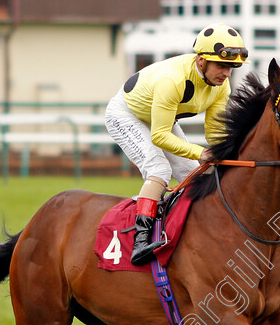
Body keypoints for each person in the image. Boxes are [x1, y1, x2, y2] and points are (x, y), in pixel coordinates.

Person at [104, 23, 247, 265]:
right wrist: (202, 152)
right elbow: (159, 136)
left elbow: (214, 132)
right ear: (201, 61)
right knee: (159, 170)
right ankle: (140, 241)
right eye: (221, 65)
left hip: (156, 116)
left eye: (231, 67)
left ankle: (190, 231)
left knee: (193, 172)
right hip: (126, 114)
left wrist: (227, 154)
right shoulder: (173, 80)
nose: (226, 73)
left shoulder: (221, 86)